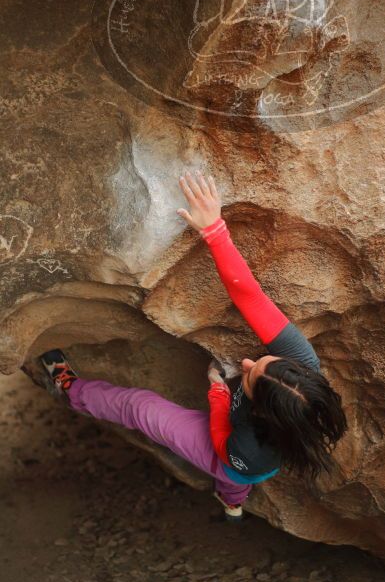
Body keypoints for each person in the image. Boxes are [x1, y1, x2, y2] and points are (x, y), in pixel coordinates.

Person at [40, 170, 348, 522]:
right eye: (263, 362)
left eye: (249, 377)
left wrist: (218, 393)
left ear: (259, 412)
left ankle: (71, 389)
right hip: (249, 456)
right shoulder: (301, 365)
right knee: (237, 483)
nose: (247, 362)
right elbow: (251, 298)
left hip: (228, 456)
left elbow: (220, 439)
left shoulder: (244, 446)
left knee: (142, 408)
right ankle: (232, 500)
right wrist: (215, 231)